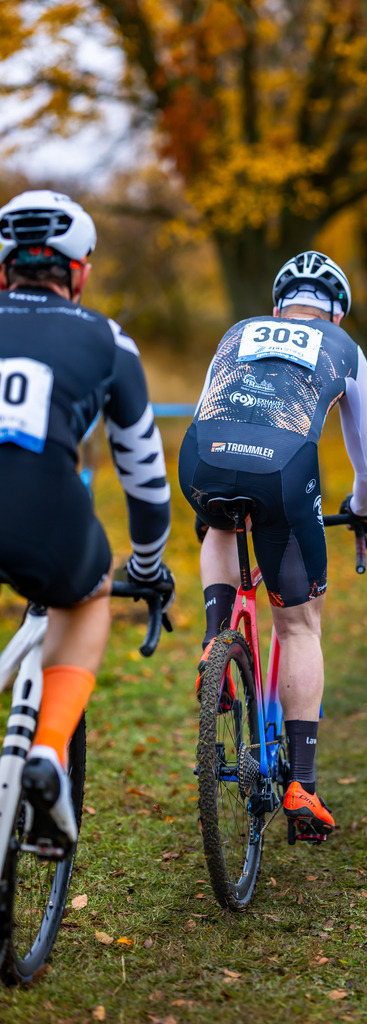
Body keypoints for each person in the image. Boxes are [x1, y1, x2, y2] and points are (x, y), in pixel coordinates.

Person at [178, 250, 367, 838]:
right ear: (338, 313)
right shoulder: (344, 349)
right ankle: (303, 784)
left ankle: (215, 641)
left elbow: (205, 409)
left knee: (218, 522)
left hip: (203, 459)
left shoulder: (239, 331)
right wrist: (361, 511)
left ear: (277, 305)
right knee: (298, 626)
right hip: (285, 470)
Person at [0, 190, 173, 850]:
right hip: (44, 508)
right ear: (78, 272)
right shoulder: (107, 339)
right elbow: (145, 474)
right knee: (90, 592)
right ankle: (46, 750)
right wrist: (148, 566)